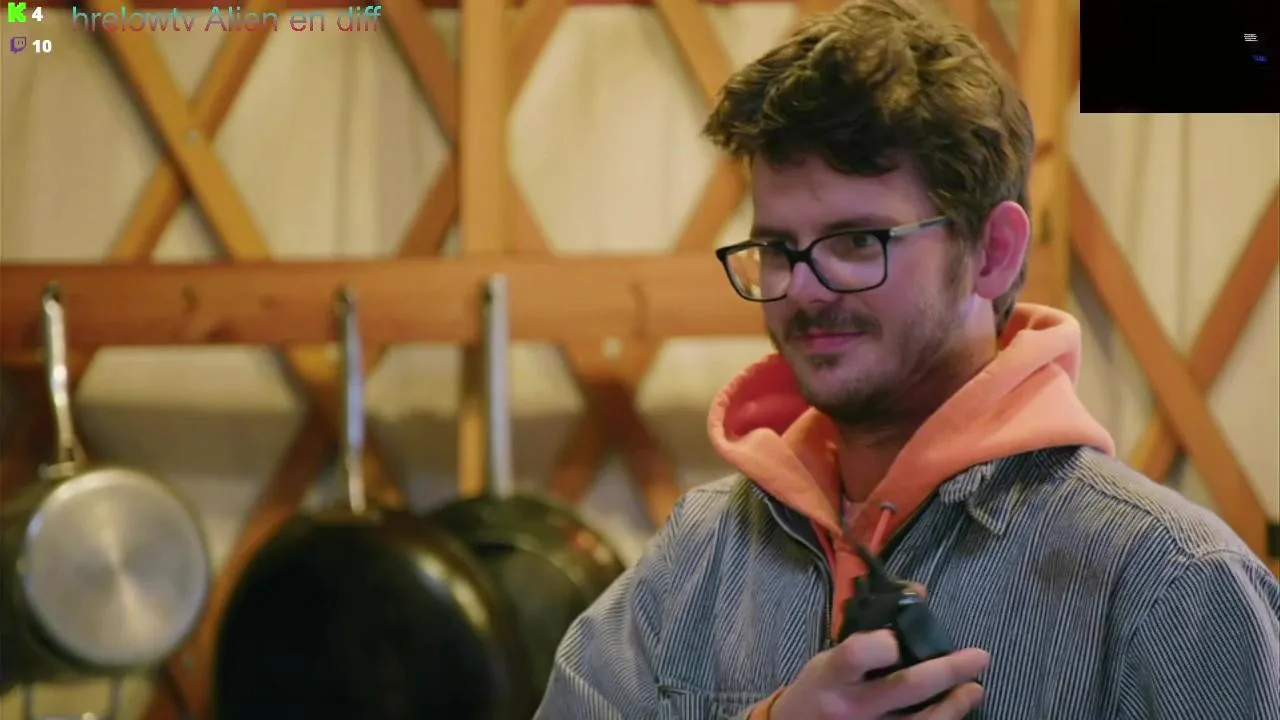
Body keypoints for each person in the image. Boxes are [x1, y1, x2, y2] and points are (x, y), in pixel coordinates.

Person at [534, 0, 1280, 718]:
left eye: (859, 241)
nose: (805, 289)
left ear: (993, 252)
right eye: (778, 248)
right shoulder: (701, 554)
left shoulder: (1168, 582)